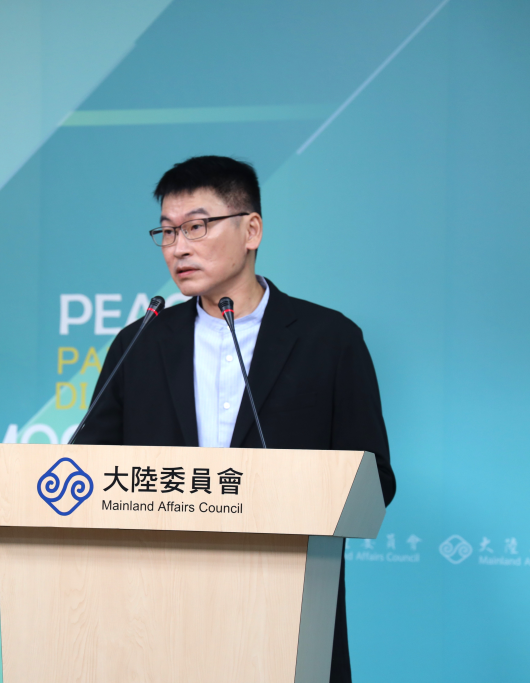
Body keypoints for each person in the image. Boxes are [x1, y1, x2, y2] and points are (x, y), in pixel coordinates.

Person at [73, 155, 396, 683]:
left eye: (196, 227)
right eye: (167, 231)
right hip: (154, 611)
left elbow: (374, 480)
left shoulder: (329, 340)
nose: (178, 247)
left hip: (286, 609)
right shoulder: (140, 343)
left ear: (252, 230)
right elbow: (87, 467)